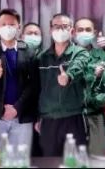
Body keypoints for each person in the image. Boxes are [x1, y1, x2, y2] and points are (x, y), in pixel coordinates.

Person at [0, 9, 37, 151]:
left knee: (20, 159)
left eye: (11, 24)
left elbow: (34, 84)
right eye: (3, 24)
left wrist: (17, 108)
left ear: (19, 27)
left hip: (22, 116)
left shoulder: (29, 51)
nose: (7, 28)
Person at [36, 12, 91, 156]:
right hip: (49, 119)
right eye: (56, 26)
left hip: (74, 117)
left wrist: (68, 76)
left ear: (71, 31)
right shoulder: (42, 57)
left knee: (76, 161)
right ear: (50, 30)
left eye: (65, 26)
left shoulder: (80, 53)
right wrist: (38, 117)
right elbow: (37, 89)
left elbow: (79, 66)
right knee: (50, 161)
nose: (60, 29)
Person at [75, 17, 105, 156]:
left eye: (88, 30)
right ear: (74, 32)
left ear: (94, 32)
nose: (84, 33)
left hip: (97, 113)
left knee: (98, 156)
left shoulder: (103, 55)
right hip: (74, 115)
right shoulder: (67, 54)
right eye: (80, 30)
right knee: (73, 157)